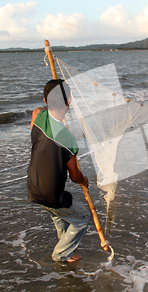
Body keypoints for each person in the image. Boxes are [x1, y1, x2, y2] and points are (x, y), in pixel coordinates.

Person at [27, 79, 90, 263]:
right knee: (82, 218)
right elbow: (74, 175)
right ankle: (61, 254)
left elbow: (40, 111)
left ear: (45, 101)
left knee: (58, 216)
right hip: (50, 194)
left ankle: (64, 246)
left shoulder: (37, 115)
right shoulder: (67, 138)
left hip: (33, 187)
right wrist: (83, 180)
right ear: (69, 100)